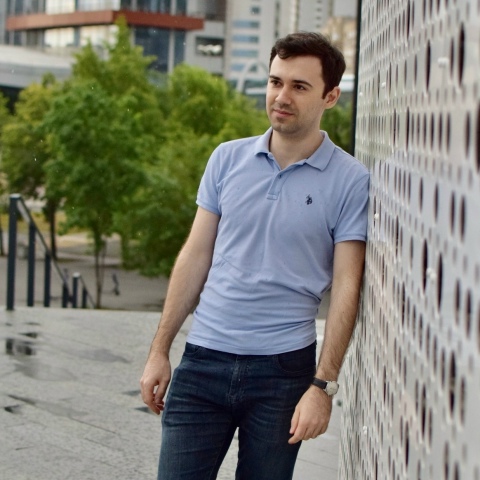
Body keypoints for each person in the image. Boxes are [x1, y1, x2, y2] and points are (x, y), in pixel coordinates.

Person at [140, 31, 369, 480]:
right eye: (275, 81)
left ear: (331, 97)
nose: (282, 96)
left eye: (299, 86)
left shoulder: (350, 180)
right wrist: (159, 351)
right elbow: (195, 257)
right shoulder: (226, 159)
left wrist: (323, 387)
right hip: (203, 361)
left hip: (283, 373)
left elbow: (348, 285)